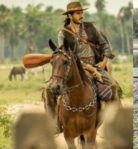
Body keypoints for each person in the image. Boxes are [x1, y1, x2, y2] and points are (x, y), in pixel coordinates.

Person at [44, 2, 121, 132]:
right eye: (78, 13)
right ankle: (54, 123)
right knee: (49, 90)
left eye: (82, 13)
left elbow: (105, 44)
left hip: (95, 66)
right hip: (74, 67)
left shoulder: (91, 27)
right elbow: (65, 54)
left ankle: (117, 122)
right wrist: (82, 66)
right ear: (70, 15)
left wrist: (103, 62)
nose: (81, 15)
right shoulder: (63, 33)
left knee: (113, 86)